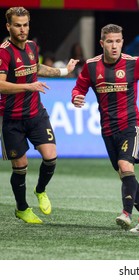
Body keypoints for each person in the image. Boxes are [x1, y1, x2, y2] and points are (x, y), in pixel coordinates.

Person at [71, 24, 139, 233]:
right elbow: (80, 86)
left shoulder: (134, 63)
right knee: (125, 174)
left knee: (125, 165)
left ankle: (126, 213)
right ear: (102, 43)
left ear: (122, 42)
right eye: (110, 41)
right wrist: (76, 96)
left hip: (131, 125)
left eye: (118, 41)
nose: (115, 46)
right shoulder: (91, 66)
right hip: (107, 129)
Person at [0, 7, 79, 224]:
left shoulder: (33, 46)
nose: (22, 29)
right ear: (9, 27)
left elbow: (36, 68)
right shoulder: (4, 52)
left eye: (25, 25)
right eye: (17, 25)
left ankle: (40, 190)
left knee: (51, 157)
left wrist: (63, 72)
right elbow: (0, 85)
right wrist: (28, 86)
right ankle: (22, 208)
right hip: (11, 118)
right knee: (20, 165)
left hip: (36, 114)